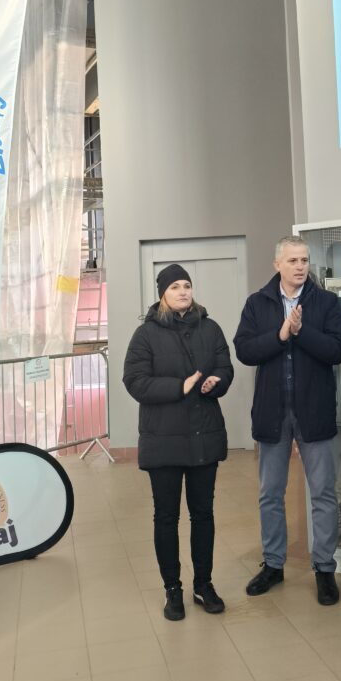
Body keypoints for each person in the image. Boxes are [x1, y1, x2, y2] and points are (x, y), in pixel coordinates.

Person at [233, 236, 341, 605]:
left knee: (323, 493)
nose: (300, 266)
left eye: (304, 260)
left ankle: (325, 568)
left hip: (314, 412)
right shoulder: (258, 303)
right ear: (277, 265)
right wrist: (280, 334)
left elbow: (337, 350)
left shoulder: (326, 302)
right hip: (273, 414)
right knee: (270, 493)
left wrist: (300, 333)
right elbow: (244, 350)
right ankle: (273, 564)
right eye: (292, 260)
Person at [123, 264, 233, 621]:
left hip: (203, 437)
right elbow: (134, 381)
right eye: (175, 287)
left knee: (203, 514)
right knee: (166, 517)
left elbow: (225, 367)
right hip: (164, 441)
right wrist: (178, 386)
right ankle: (173, 589)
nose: (183, 291)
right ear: (162, 295)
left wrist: (216, 381)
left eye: (187, 285)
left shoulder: (211, 328)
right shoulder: (146, 334)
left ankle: (204, 585)